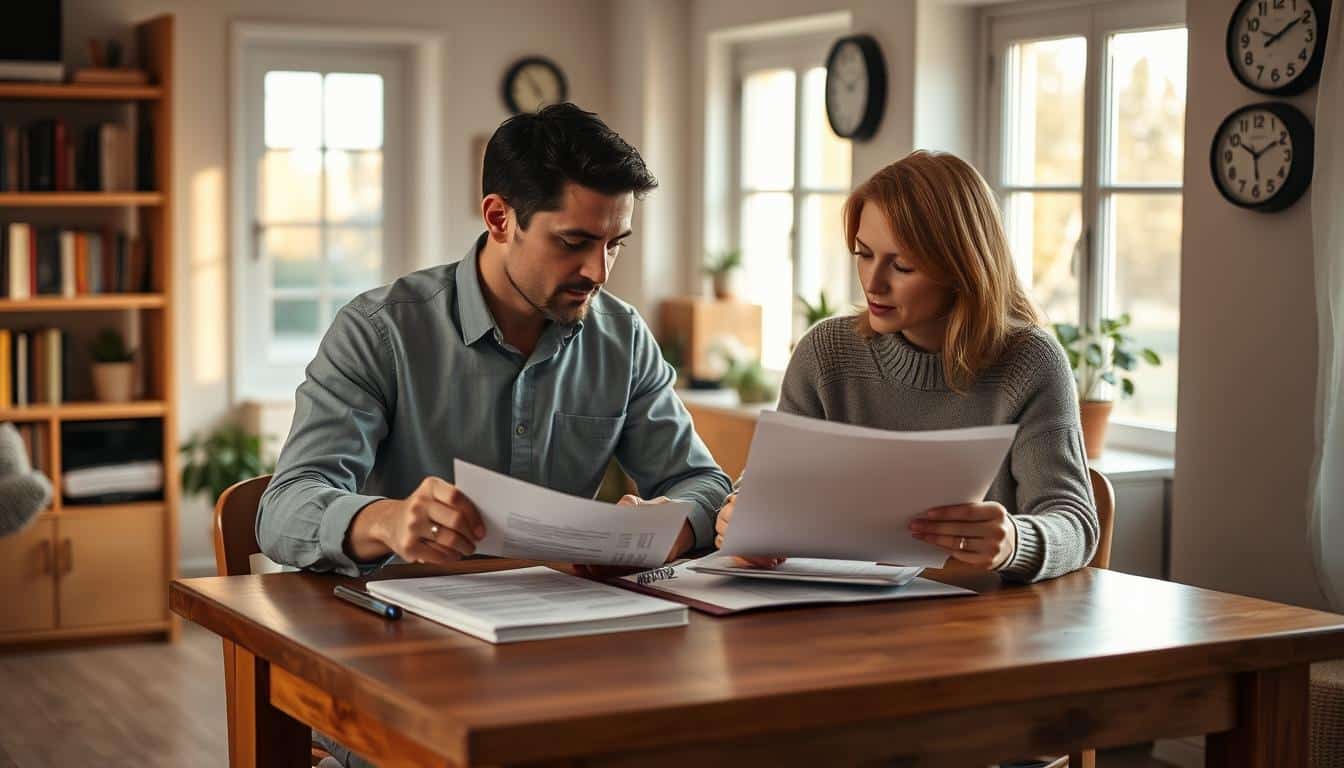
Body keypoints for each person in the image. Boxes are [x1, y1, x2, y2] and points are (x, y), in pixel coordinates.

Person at [257, 102, 731, 579]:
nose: (598, 272)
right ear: (500, 218)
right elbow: (283, 509)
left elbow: (703, 482)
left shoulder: (622, 337)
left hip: (568, 624)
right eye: (573, 243)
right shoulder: (378, 332)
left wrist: (677, 525)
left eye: (615, 244)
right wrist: (387, 519)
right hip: (404, 632)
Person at [714, 151, 1097, 583]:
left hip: (979, 624)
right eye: (863, 254)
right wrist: (743, 516)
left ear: (962, 268)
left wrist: (1014, 540)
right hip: (838, 618)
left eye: (902, 265)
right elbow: (769, 485)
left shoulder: (1030, 363)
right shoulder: (826, 353)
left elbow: (1075, 523)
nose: (873, 283)